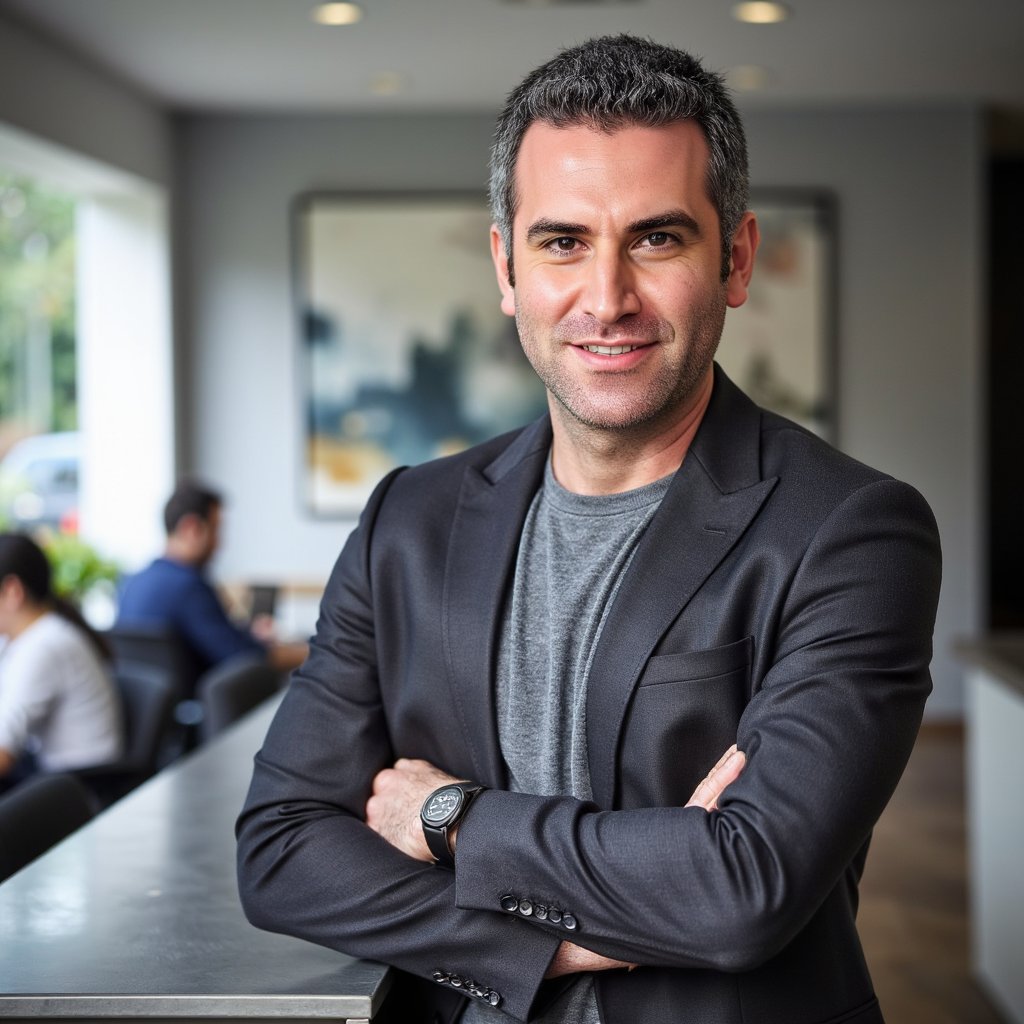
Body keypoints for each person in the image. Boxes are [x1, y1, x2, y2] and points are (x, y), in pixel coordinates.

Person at [236, 35, 941, 1024]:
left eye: (657, 238)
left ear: (735, 259)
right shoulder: (411, 518)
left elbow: (744, 891)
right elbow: (280, 850)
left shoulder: (852, 532)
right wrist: (565, 939)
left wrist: (448, 817)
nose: (605, 299)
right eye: (563, 241)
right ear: (506, 266)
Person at [116, 480, 305, 687]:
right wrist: (312, 652)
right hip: (204, 710)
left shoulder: (132, 582)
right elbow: (242, 657)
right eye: (215, 530)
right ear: (191, 528)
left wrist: (248, 633)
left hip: (160, 713)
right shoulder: (188, 587)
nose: (219, 544)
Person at [0, 533, 123, 791]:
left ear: (13, 591)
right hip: (50, 778)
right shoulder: (23, 638)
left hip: (76, 791)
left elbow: (3, 754)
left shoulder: (44, 646)